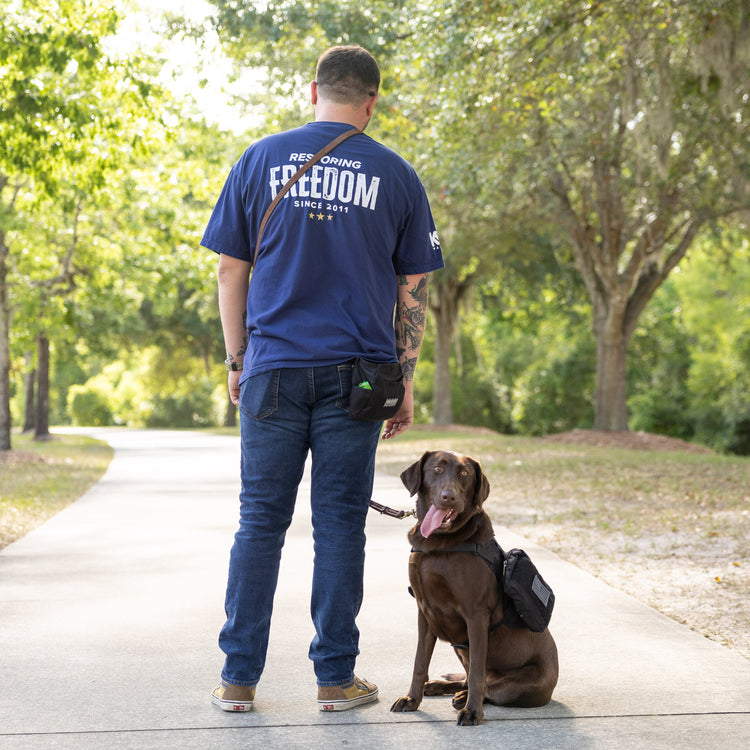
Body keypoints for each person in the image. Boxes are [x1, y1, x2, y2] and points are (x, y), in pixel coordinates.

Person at [201, 44, 443, 713]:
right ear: (371, 102)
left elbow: (229, 269)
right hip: (360, 379)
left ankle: (237, 680)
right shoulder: (395, 174)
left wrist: (235, 360)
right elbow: (412, 287)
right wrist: (406, 377)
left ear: (314, 92)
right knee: (339, 528)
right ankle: (336, 680)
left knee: (259, 526)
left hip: (271, 369)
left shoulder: (258, 159)